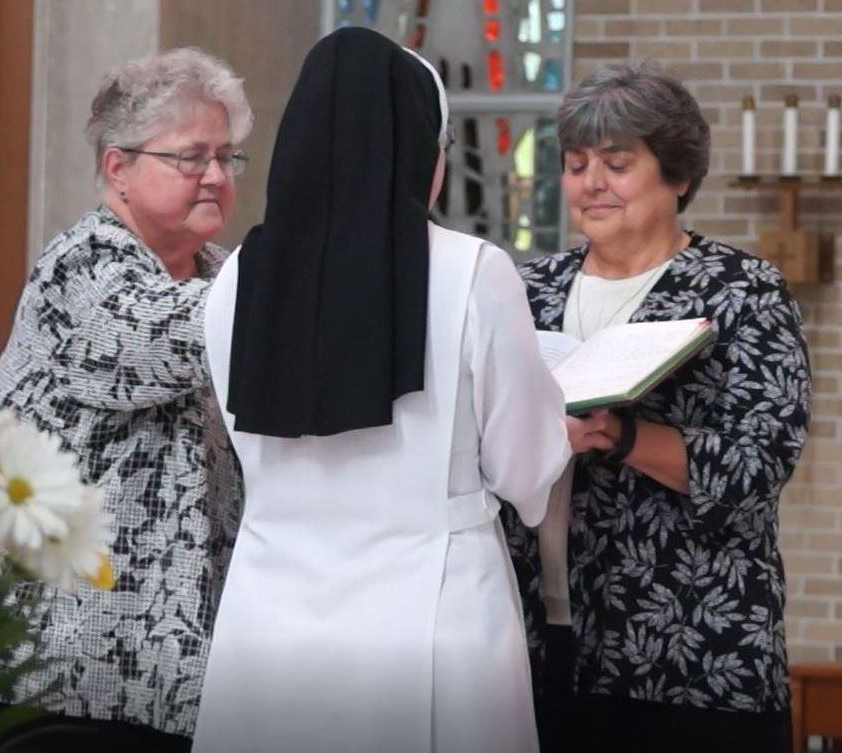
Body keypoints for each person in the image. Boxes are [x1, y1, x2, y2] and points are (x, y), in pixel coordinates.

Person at [193, 27, 589, 753]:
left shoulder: (232, 282)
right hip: (433, 618)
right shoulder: (473, 271)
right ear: (419, 157)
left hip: (268, 620)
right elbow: (526, 472)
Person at [503, 62, 812, 753]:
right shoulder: (525, 291)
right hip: (534, 639)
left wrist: (621, 436)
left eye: (616, 163)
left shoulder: (740, 291)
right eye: (577, 163)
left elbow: (758, 465)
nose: (591, 182)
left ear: (676, 174)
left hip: (691, 646)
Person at [0, 47, 252, 753]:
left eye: (228, 157)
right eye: (192, 158)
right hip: (68, 666)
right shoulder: (83, 265)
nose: (218, 177)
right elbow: (168, 339)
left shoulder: (224, 273)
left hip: (181, 669)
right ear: (118, 168)